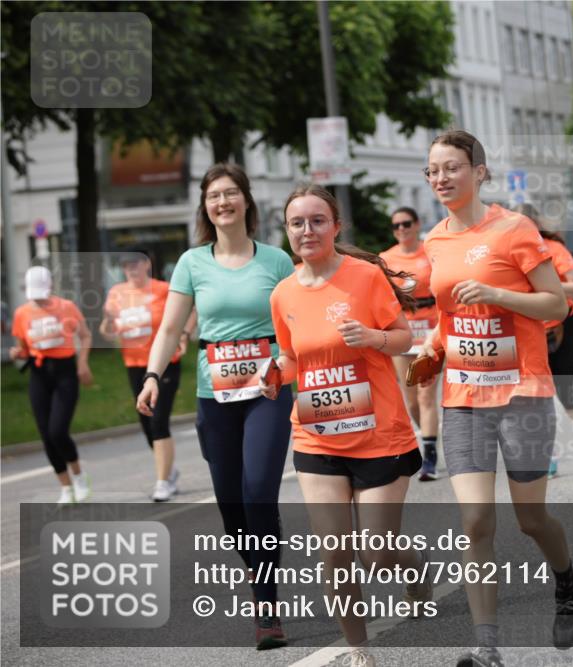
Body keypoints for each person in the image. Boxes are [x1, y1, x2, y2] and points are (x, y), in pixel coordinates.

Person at [418, 130, 573, 667]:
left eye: (452, 167)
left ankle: (567, 578)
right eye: (433, 170)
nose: (441, 178)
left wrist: (496, 294)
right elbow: (449, 317)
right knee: (474, 521)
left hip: (522, 392)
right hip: (464, 397)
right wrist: (432, 349)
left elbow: (556, 304)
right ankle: (487, 648)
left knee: (531, 519)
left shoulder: (515, 229)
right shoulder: (434, 240)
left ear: (479, 172)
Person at [262, 184, 428, 667]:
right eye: (297, 223)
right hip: (316, 436)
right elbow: (293, 358)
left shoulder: (365, 277)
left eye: (317, 220)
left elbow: (403, 339)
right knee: (334, 552)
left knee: (377, 553)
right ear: (287, 231)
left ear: (336, 226)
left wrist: (373, 337)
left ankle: (414, 566)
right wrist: (273, 374)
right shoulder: (283, 293)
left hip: (379, 434)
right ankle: (359, 649)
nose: (307, 230)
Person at [135, 163, 294, 650]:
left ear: (246, 200)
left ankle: (266, 607)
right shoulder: (192, 263)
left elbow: (298, 320)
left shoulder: (276, 260)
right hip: (215, 395)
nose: (222, 202)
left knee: (257, 491)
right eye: (213, 196)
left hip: (268, 390)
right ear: (205, 207)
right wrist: (152, 375)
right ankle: (263, 558)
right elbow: (169, 328)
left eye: (230, 193)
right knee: (232, 511)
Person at [100, 249, 196, 501]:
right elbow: (108, 333)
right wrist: (108, 321)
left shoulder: (163, 289)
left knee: (158, 420)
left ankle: (163, 482)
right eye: (125, 265)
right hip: (134, 364)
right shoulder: (117, 293)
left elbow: (194, 307)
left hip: (164, 363)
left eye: (135, 263)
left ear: (146, 264)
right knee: (146, 423)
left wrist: (185, 334)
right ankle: (168, 470)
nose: (130, 269)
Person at [514, 203, 573, 479]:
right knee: (535, 398)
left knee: (568, 396)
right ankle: (548, 454)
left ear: (536, 225)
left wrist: (547, 285)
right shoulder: (507, 256)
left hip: (565, 328)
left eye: (526, 224)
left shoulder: (553, 249)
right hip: (529, 333)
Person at [9, 266, 93, 505]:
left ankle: (79, 477)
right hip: (39, 374)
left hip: (65, 373)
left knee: (58, 431)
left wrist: (82, 363)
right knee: (46, 435)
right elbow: (24, 348)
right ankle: (65, 487)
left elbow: (85, 335)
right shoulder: (22, 313)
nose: (38, 298)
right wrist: (17, 354)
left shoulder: (66, 307)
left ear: (51, 286)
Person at [379, 207, 441, 481]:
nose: (401, 229)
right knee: (412, 399)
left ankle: (429, 456)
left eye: (406, 224)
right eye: (396, 226)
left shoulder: (430, 252)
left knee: (426, 395)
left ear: (417, 225)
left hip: (430, 331)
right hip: (403, 331)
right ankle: (429, 437)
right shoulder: (386, 258)